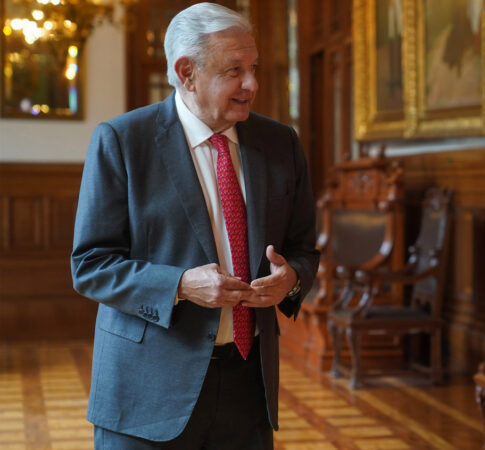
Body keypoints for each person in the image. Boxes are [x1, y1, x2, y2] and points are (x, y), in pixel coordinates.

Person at [71, 3, 319, 448]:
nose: (252, 84)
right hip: (147, 392)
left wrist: (292, 280)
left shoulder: (281, 142)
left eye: (254, 67)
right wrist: (181, 285)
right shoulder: (123, 140)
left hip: (249, 389)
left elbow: (304, 246)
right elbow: (91, 264)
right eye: (235, 70)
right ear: (186, 72)